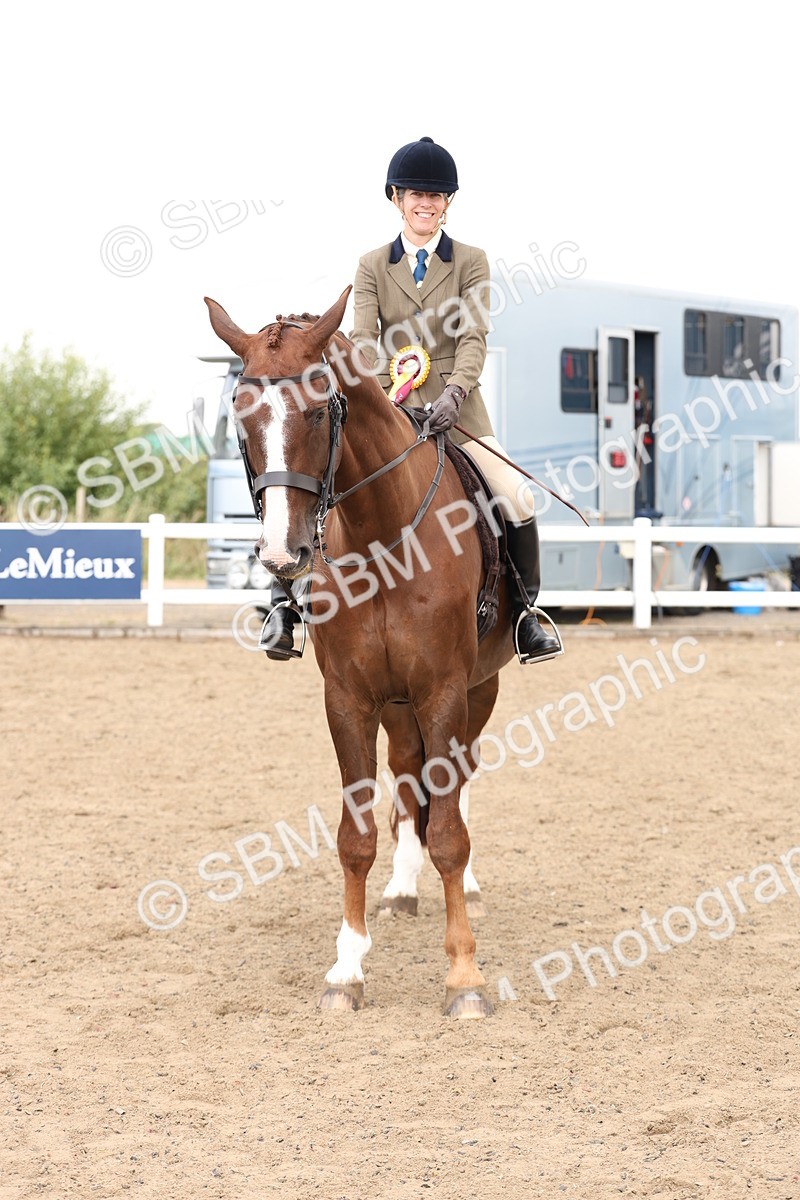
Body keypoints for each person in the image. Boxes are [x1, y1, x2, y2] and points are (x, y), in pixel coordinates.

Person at [264, 136, 561, 665]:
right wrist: (384, 397)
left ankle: (526, 617)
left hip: (458, 412)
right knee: (314, 483)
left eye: (437, 195)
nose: (426, 203)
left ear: (448, 203)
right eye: (416, 194)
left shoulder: (471, 260)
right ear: (396, 198)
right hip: (385, 411)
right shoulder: (372, 264)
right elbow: (364, 337)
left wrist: (454, 391)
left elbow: (474, 335)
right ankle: (284, 607)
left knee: (516, 496)